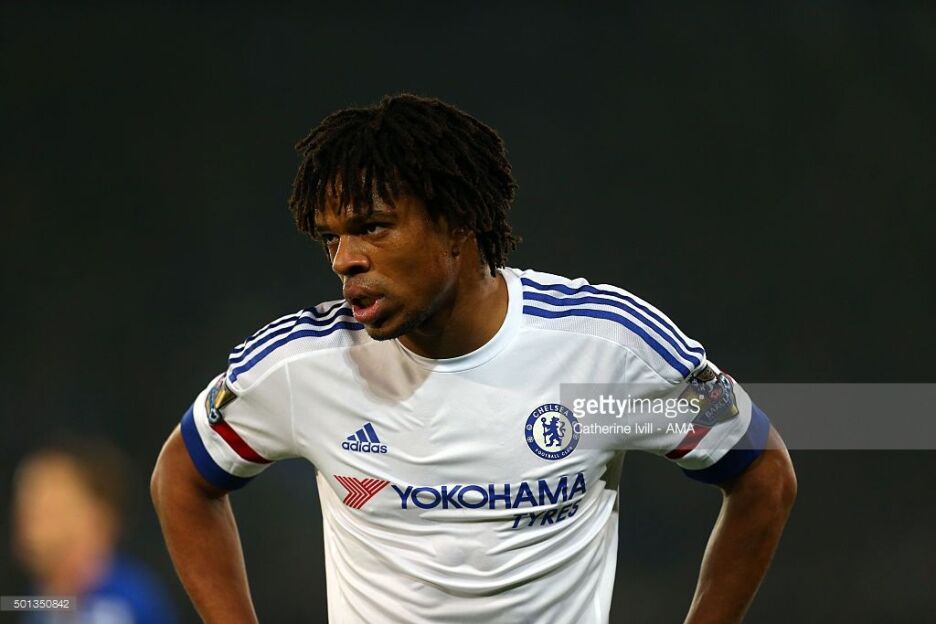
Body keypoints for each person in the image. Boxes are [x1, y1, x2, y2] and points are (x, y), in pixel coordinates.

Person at [151, 93, 796, 623]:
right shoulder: (305, 365)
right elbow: (181, 477)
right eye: (331, 238)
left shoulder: (603, 353)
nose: (344, 259)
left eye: (372, 226)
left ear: (457, 222)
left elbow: (761, 469)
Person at [13, 437, 176, 624]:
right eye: (24, 502)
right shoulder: (36, 602)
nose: (27, 518)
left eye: (48, 506)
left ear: (97, 517)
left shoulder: (129, 603)